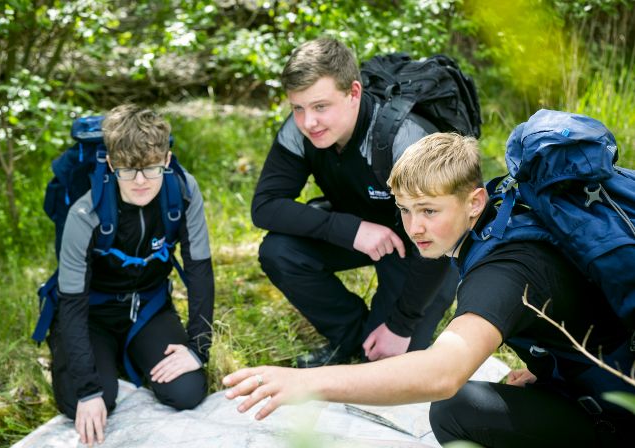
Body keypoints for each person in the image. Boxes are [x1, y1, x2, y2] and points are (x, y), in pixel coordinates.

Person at [225, 132, 635, 446]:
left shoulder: (503, 270)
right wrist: (549, 365)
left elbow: (442, 373)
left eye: (429, 211)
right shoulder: (510, 207)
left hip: (620, 411)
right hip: (606, 369)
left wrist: (309, 383)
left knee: (454, 409)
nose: (414, 226)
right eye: (404, 209)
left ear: (473, 201)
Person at [252, 37, 457, 367]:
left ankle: (379, 340)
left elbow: (442, 238)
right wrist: (349, 229)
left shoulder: (403, 138)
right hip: (363, 230)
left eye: (321, 106)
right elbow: (265, 206)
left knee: (384, 369)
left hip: (427, 250)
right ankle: (348, 336)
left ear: (354, 94)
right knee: (279, 251)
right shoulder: (300, 130)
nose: (308, 122)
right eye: (298, 108)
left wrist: (401, 324)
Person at [47, 105, 214, 446]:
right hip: (91, 313)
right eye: (127, 170)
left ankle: (127, 351)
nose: (140, 181)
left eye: (151, 168)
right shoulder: (86, 210)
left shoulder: (182, 190)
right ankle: (86, 355)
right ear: (111, 164)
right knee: (85, 400)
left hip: (148, 308)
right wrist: (89, 388)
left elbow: (199, 271)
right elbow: (73, 301)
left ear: (166, 160)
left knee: (187, 391)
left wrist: (198, 348)